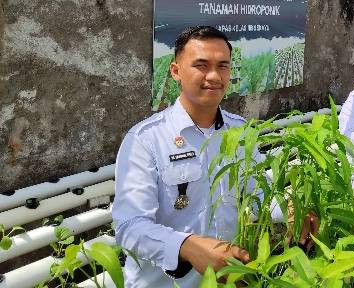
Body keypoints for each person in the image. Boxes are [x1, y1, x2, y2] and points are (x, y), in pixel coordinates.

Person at [113, 26, 317, 287]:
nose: (214, 76)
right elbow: (130, 227)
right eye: (201, 65)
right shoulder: (146, 139)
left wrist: (290, 209)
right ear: (176, 71)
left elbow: (256, 196)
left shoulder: (240, 131)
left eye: (223, 66)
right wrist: (187, 246)